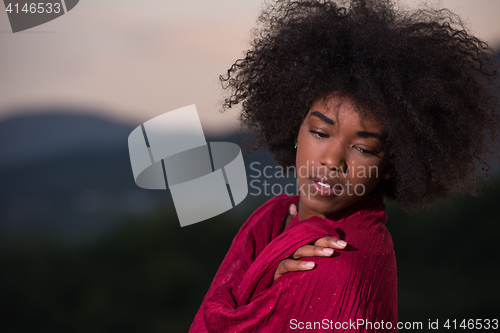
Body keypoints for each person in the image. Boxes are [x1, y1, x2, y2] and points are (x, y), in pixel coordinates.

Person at [189, 0, 500, 331]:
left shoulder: (331, 266)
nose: (331, 161)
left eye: (363, 148)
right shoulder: (276, 216)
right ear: (295, 125)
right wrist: (269, 284)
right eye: (321, 132)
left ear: (393, 164)